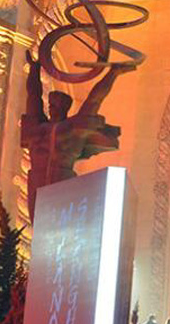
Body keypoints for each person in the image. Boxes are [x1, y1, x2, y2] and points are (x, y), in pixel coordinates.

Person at [22, 51, 135, 215]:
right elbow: (33, 96)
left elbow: (94, 100)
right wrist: (34, 69)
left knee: (58, 222)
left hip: (61, 179)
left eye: (56, 106)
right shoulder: (39, 129)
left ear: (65, 108)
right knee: (37, 223)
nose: (52, 109)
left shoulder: (72, 128)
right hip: (36, 181)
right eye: (51, 106)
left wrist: (113, 73)